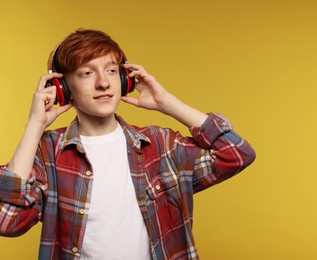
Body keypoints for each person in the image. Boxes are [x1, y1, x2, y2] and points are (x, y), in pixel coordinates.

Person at [0, 29, 256, 260]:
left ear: (125, 79)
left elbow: (237, 154)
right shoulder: (48, 153)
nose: (103, 82)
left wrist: (167, 103)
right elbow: (7, 221)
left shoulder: (159, 144)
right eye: (87, 73)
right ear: (62, 87)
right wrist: (34, 126)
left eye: (111, 71)